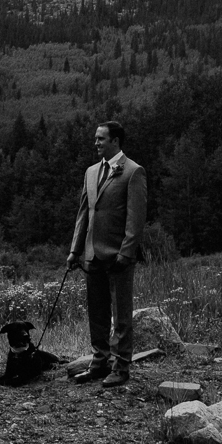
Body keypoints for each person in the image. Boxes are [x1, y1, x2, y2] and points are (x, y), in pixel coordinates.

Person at [68, 121, 147, 389]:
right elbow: (84, 213)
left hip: (117, 256)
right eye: (95, 138)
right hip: (91, 255)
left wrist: (126, 252)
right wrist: (74, 250)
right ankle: (99, 362)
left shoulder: (133, 172)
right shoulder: (90, 172)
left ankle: (121, 367)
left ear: (115, 141)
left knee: (121, 314)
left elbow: (135, 219)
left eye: (101, 139)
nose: (96, 143)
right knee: (97, 313)